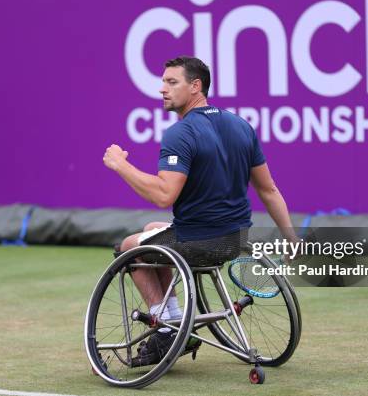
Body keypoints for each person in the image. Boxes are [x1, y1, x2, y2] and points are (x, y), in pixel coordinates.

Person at [103, 56, 298, 365]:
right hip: (233, 240)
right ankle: (179, 324)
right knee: (155, 229)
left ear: (195, 87)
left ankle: (168, 330)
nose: (162, 89)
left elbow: (164, 195)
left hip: (197, 243)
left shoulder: (179, 133)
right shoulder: (241, 126)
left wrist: (120, 165)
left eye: (171, 82)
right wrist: (290, 237)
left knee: (130, 246)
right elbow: (268, 189)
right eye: (163, 82)